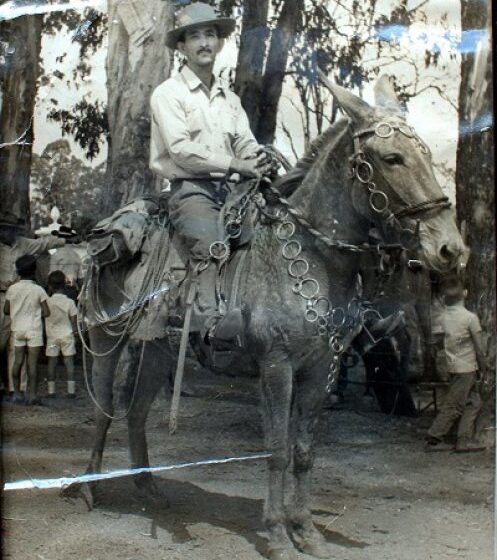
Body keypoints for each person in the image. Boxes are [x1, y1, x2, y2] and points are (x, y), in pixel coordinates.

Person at [150, 2, 272, 342]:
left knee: (263, 246)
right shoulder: (168, 94)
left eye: (210, 35)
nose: (204, 43)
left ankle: (259, 319)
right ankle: (211, 324)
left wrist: (259, 159)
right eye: (194, 36)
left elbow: (245, 144)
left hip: (231, 193)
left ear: (219, 43)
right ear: (181, 47)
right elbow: (182, 152)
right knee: (211, 246)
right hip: (191, 190)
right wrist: (236, 164)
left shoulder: (229, 100)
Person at [0, 216, 66, 394]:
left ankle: (17, 388)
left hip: (18, 295)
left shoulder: (23, 244)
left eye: (8, 229)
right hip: (2, 294)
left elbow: (44, 244)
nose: (5, 233)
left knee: (15, 345)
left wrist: (65, 239)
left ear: (14, 231)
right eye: (2, 229)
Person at [425, 276, 489, 452]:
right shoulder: (470, 318)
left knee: (473, 401)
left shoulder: (443, 318)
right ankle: (434, 437)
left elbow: (437, 341)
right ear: (466, 294)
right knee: (455, 405)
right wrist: (484, 365)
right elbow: (479, 346)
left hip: (452, 366)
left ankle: (463, 439)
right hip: (467, 368)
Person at [4, 255, 50, 405]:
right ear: (34, 271)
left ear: (18, 271)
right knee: (32, 364)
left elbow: (6, 310)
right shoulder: (38, 290)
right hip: (34, 330)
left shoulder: (12, 289)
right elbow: (46, 312)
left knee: (17, 362)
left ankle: (16, 394)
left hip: (17, 329)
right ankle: (32, 395)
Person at [45, 270, 78, 399]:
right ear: (65, 286)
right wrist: (76, 334)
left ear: (50, 286)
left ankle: (51, 391)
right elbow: (74, 321)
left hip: (52, 337)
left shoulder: (47, 301)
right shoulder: (70, 302)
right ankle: (71, 391)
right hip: (67, 336)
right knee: (69, 362)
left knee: (51, 363)